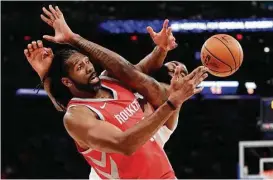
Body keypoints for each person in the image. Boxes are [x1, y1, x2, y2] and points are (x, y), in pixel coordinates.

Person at [25, 5, 208, 179]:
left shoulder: (126, 87)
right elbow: (125, 144)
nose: (89, 67)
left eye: (87, 61)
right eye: (81, 66)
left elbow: (133, 72)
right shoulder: (78, 113)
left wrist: (161, 50)